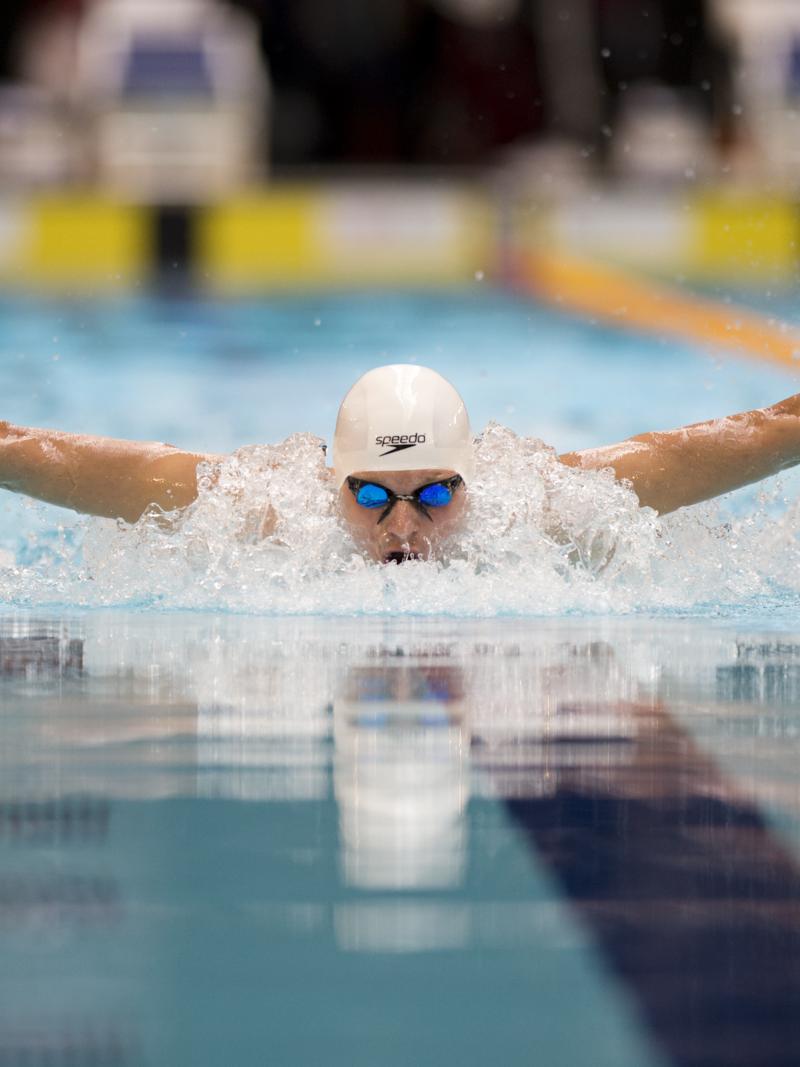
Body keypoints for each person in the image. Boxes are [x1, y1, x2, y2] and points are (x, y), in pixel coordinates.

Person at [1, 363, 799, 565]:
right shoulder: (276, 512)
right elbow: (72, 461)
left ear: (471, 481)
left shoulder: (539, 506)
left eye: (436, 495)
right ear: (333, 482)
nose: (404, 528)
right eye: (374, 493)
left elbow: (742, 434)